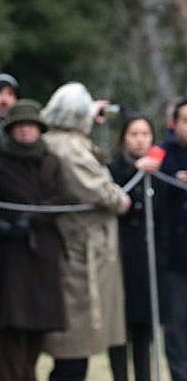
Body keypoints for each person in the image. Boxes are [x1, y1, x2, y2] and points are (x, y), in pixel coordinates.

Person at [40, 82, 131, 381]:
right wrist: (120, 198)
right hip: (79, 251)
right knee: (74, 345)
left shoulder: (58, 140)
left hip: (81, 247)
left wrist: (87, 115)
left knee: (79, 346)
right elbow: (100, 191)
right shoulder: (67, 147)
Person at [0, 99, 68, 381]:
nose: (25, 132)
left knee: (36, 336)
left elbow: (60, 200)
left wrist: (32, 218)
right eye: (19, 126)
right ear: (11, 130)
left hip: (44, 256)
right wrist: (5, 225)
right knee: (13, 335)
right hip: (13, 259)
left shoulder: (52, 163)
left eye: (30, 126)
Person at [106, 115, 164, 381]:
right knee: (118, 331)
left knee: (144, 332)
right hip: (117, 260)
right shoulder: (113, 170)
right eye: (134, 134)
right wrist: (135, 171)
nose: (140, 140)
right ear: (123, 139)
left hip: (148, 261)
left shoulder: (160, 173)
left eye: (145, 134)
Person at [158, 98, 187, 381]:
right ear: (173, 123)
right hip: (175, 258)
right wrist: (172, 179)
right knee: (177, 327)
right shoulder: (161, 154)